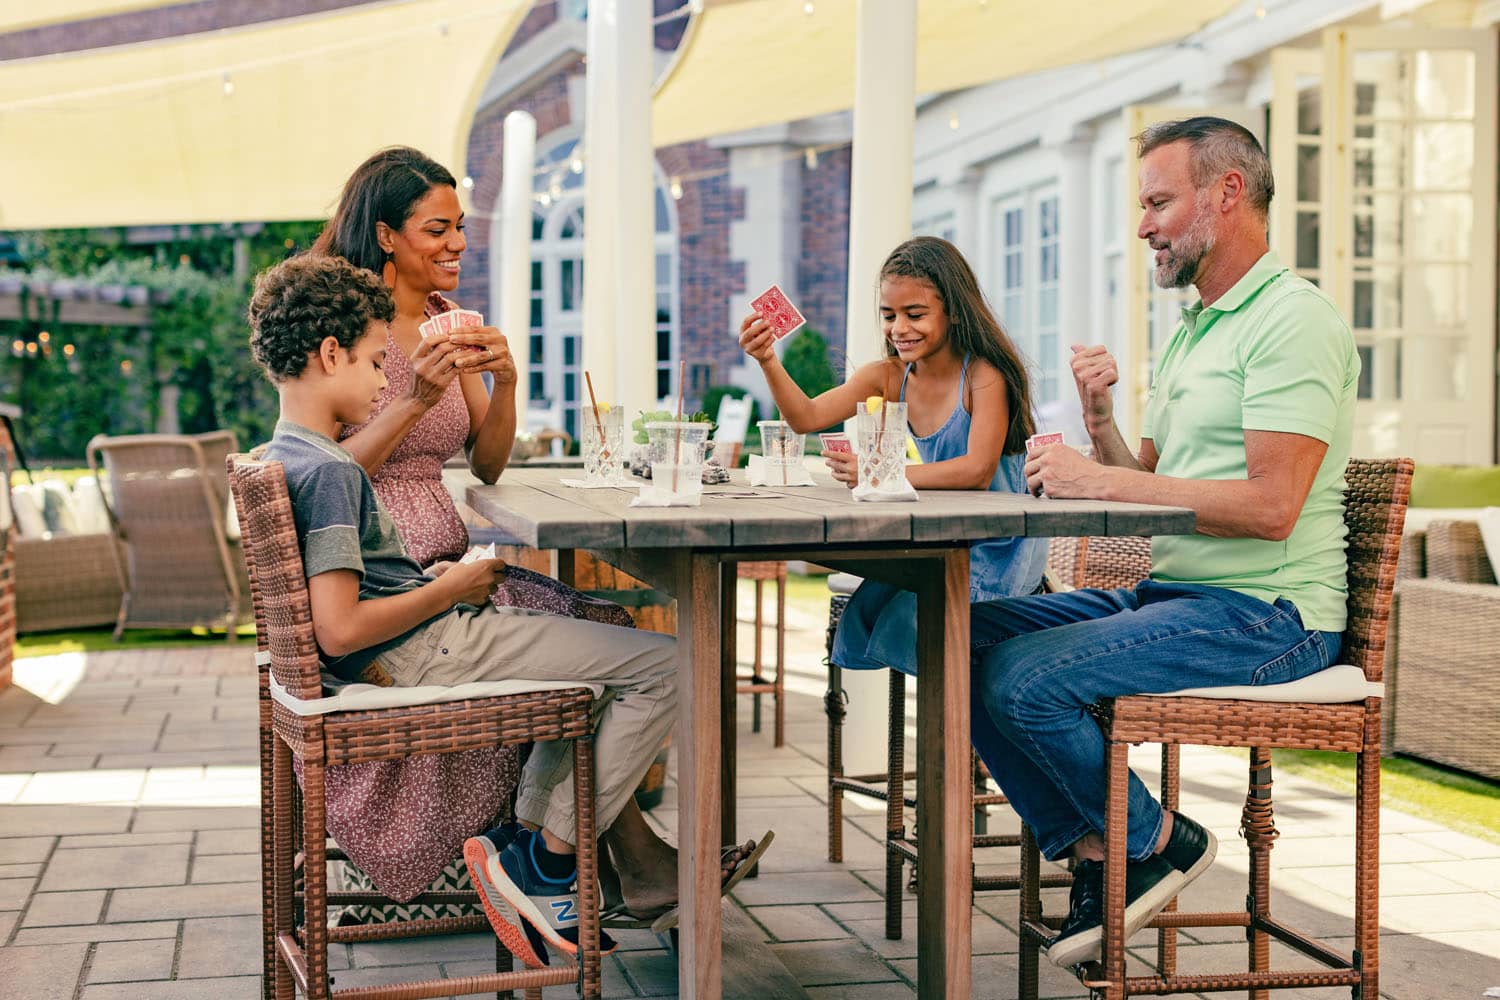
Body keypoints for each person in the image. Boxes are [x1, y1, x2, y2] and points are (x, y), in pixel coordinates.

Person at [969, 116, 1359, 968]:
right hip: (1182, 598)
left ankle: (1154, 844)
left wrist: (1102, 479)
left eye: (1157, 202)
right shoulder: (1198, 327)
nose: (1142, 225)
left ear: (1226, 194)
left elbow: (1270, 509)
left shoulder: (1290, 321)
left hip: (1270, 616)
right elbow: (1151, 483)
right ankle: (1105, 850)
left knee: (1022, 679)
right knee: (960, 638)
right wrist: (1103, 433)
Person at [246, 253, 684, 968]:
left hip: (417, 639)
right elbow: (341, 627)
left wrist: (439, 582)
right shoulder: (330, 472)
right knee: (665, 665)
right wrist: (452, 588)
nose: (385, 380)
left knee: (594, 654)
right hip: (420, 650)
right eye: (371, 362)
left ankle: (537, 850)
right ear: (330, 354)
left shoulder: (287, 453)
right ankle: (545, 862)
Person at [311, 147, 634, 928]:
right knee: (625, 655)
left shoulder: (442, 323)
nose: (457, 243)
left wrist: (506, 380)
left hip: (449, 563)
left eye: (460, 228)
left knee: (605, 627)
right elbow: (320, 471)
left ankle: (568, 859)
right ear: (387, 236)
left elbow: (487, 459)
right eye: (437, 229)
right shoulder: (343, 330)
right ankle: (583, 867)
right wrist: (414, 401)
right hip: (395, 580)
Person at [738, 236, 1048, 676]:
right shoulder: (889, 376)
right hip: (943, 540)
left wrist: (881, 473)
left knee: (908, 620)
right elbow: (807, 417)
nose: (899, 328)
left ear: (954, 312)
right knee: (863, 616)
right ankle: (952, 700)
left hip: (998, 551)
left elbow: (977, 471)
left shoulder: (983, 375)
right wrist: (768, 359)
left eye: (915, 314)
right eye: (889, 315)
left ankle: (960, 709)